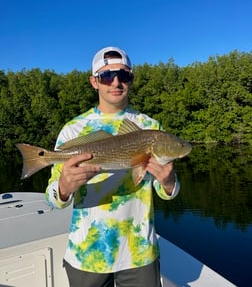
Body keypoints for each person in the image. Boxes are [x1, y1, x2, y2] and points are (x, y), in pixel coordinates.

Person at [45, 46, 180, 287]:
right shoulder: (73, 130)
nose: (116, 82)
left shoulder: (149, 126)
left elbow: (165, 190)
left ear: (131, 79)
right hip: (87, 254)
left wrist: (169, 182)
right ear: (94, 82)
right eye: (107, 76)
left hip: (140, 253)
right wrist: (64, 188)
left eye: (123, 75)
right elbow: (53, 199)